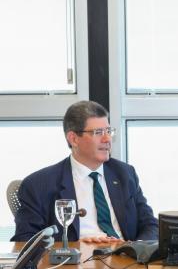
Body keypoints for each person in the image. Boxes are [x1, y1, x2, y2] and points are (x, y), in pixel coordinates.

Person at [11, 100, 158, 243]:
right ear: (74, 139)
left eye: (108, 131)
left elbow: (150, 224)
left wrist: (135, 248)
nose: (107, 139)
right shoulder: (38, 185)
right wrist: (78, 246)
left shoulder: (124, 173)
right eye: (98, 132)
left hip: (124, 258)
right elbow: (24, 240)